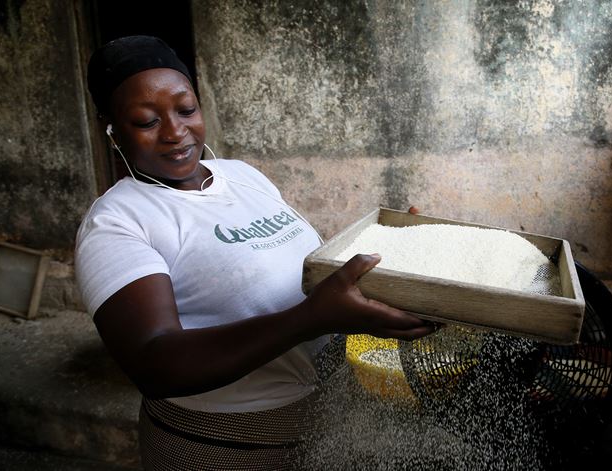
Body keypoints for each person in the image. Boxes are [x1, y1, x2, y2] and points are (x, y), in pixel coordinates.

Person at [76, 35, 436, 470]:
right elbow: (154, 364)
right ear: (112, 130)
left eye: (186, 110)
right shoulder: (117, 222)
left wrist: (396, 259)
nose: (175, 132)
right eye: (146, 121)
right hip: (220, 446)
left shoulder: (241, 176)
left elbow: (300, 271)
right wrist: (309, 320)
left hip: (327, 420)